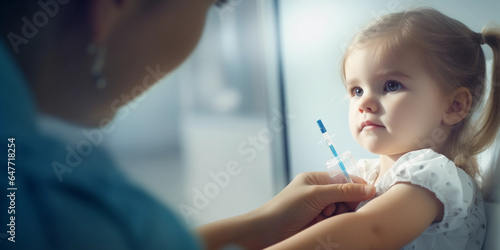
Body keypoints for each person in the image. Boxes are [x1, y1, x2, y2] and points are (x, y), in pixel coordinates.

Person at [0, 0, 377, 249]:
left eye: (393, 86)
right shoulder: (63, 207)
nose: (367, 104)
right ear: (117, 6)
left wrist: (260, 224)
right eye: (212, 5)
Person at [267, 7, 500, 249]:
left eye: (391, 85)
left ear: (453, 106)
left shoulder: (433, 178)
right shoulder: (367, 174)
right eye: (356, 90)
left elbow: (369, 232)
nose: (364, 103)